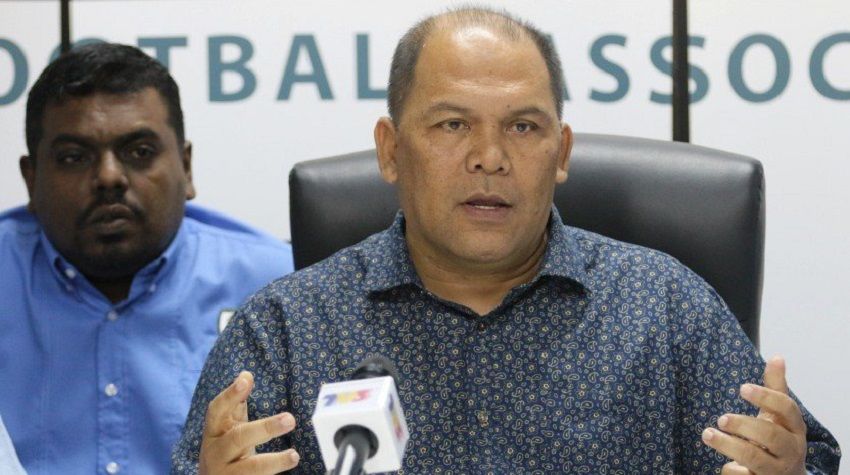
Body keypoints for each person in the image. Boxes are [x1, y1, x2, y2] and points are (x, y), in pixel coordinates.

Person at [172, 7, 840, 474]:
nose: (489, 157)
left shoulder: (665, 310)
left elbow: (795, 461)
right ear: (390, 150)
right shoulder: (287, 330)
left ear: (562, 151)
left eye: (523, 127)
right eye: (452, 124)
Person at [0, 43, 294, 475]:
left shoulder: (280, 288)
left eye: (139, 152)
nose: (109, 177)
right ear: (31, 179)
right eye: (74, 157)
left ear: (186, 167)